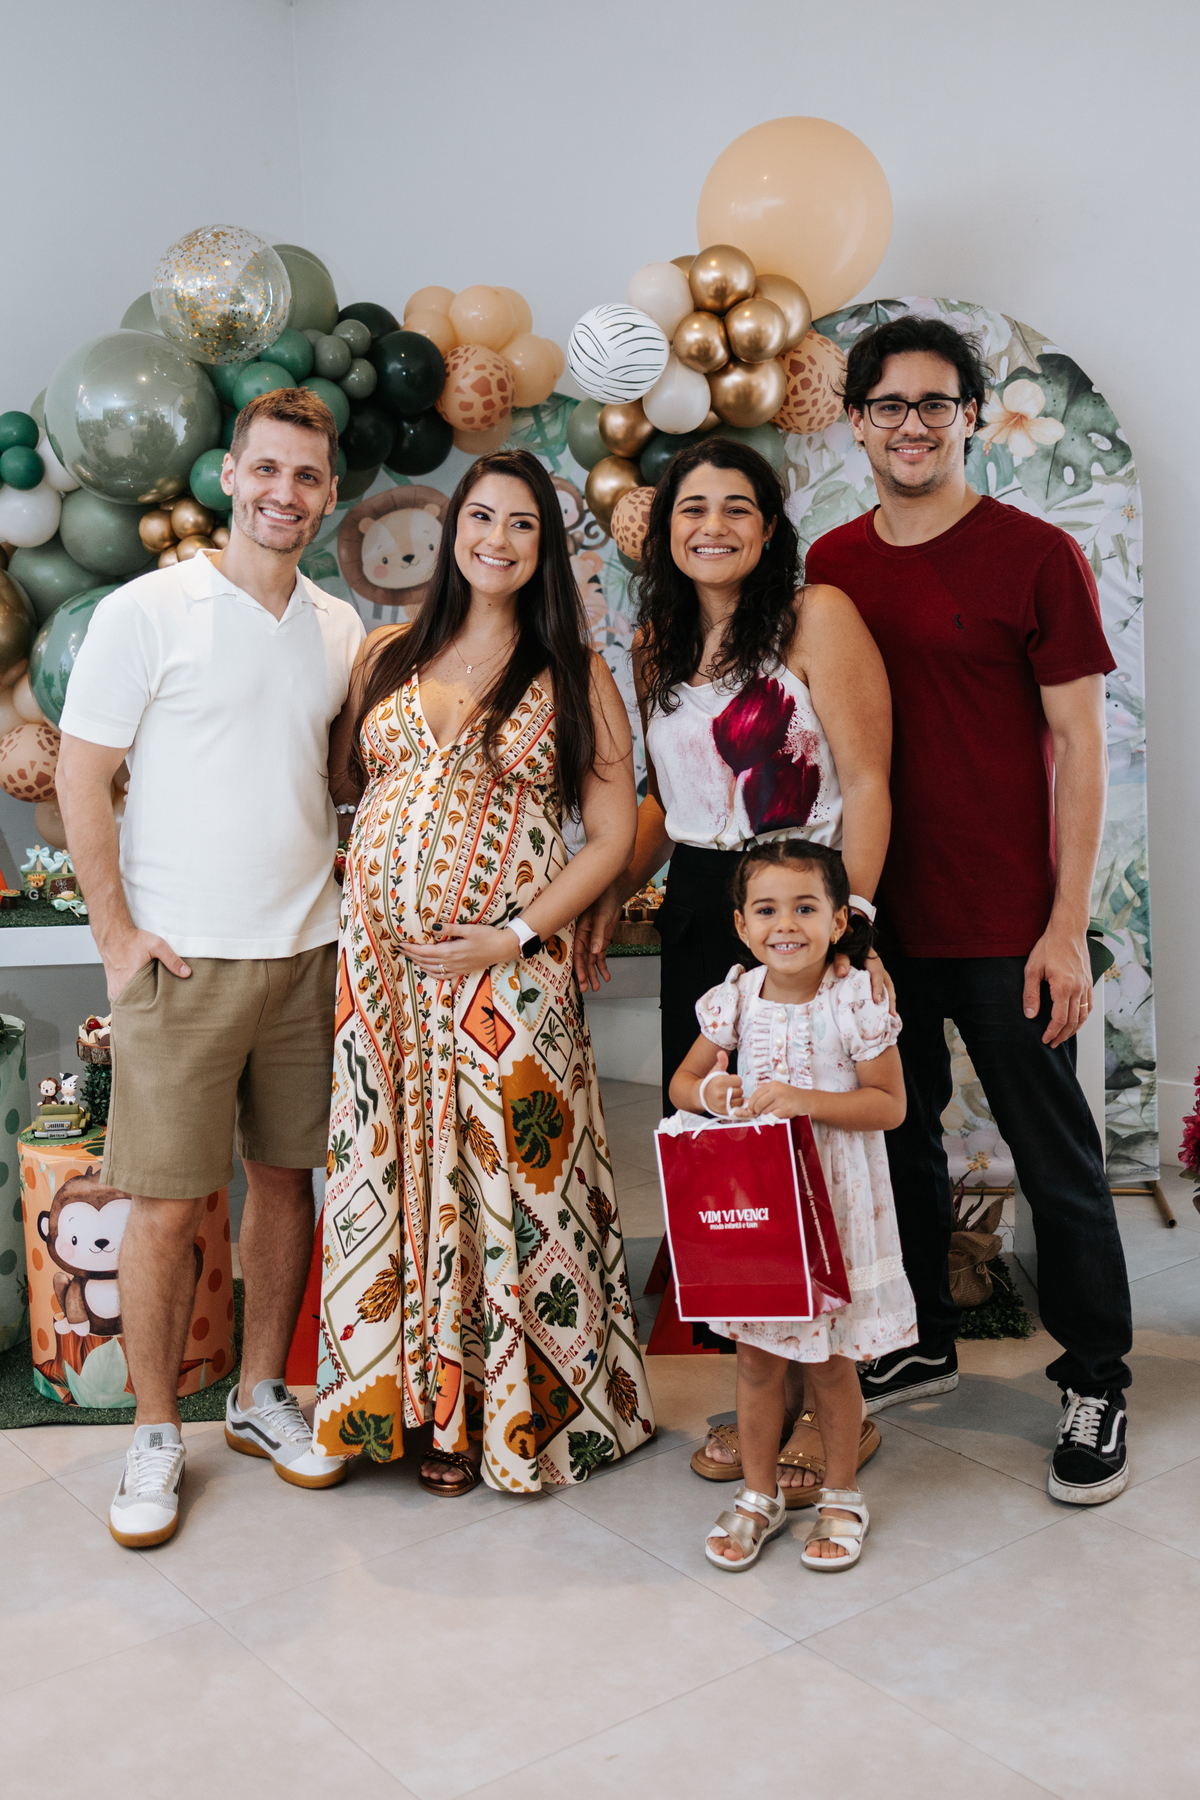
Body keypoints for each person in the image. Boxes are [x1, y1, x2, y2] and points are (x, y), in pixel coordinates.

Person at [804, 312, 1132, 1504]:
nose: (912, 425)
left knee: (1059, 1163)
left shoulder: (1038, 555)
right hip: (880, 919)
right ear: (856, 422)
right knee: (898, 1144)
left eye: (936, 404)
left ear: (970, 417)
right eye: (889, 405)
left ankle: (1096, 1377)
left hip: (1009, 924)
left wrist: (1065, 925)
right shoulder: (833, 564)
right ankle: (923, 1336)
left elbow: (1082, 753)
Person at [56, 386, 366, 1548]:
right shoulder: (149, 609)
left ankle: (257, 1399)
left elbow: (332, 782)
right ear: (229, 477)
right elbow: (82, 776)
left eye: (308, 477)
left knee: (287, 1182)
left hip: (307, 953)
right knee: (169, 1202)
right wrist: (115, 936)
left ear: (329, 498)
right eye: (268, 470)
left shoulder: (335, 627)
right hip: (181, 962)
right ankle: (152, 1432)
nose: (286, 493)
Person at [312, 447, 654, 1494]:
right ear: (453, 528)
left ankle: (498, 1422)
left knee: (509, 1173)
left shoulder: (571, 671)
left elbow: (607, 835)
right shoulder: (386, 653)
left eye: (523, 527)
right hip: (382, 976)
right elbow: (350, 798)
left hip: (507, 970)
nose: (498, 541)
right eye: (483, 519)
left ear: (544, 550)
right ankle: (409, 1411)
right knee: (399, 1168)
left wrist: (515, 935)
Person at [575, 438, 893, 1503]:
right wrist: (611, 892)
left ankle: (833, 1408)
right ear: (666, 530)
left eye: (736, 507)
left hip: (806, 904)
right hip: (709, 914)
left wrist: (855, 929)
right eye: (691, 508)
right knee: (732, 1156)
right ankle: (768, 1388)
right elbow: (674, 804)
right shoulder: (661, 634)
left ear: (768, 527)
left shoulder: (819, 617)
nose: (712, 524)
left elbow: (870, 781)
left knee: (817, 1147)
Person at [670, 839, 913, 1571]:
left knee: (833, 1364)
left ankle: (841, 1494)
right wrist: (715, 1093)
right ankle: (758, 1494)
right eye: (767, 909)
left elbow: (890, 1105)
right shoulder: (733, 1001)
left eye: (806, 908)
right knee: (755, 1361)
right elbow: (685, 1084)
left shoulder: (855, 1002)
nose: (787, 925)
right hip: (761, 1216)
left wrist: (806, 1102)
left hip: (833, 1209)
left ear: (839, 920)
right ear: (743, 925)